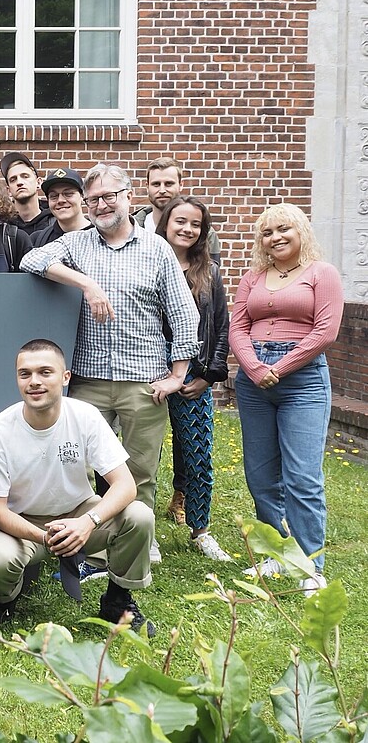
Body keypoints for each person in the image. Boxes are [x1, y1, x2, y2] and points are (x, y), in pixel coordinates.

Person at [19, 164, 200, 566]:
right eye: (94, 199)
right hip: (89, 380)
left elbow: (184, 315)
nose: (101, 205)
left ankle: (141, 538)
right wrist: (86, 283)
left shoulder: (157, 249)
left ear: (128, 198)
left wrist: (178, 374)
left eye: (109, 196)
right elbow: (31, 260)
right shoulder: (78, 244)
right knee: (79, 469)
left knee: (139, 470)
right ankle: (82, 543)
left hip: (144, 381)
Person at [0, 340, 155, 635]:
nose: (34, 382)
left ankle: (117, 599)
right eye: (25, 374)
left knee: (139, 516)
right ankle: (5, 599)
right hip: (21, 523)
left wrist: (86, 523)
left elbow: (125, 485)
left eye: (45, 372)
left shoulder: (85, 416)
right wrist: (45, 537)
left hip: (79, 514)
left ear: (65, 377)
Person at [229, 203, 342, 595]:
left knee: (302, 478)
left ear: (301, 232)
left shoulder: (321, 274)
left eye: (283, 229)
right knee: (260, 477)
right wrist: (255, 368)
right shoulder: (253, 277)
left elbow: (326, 331)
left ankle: (310, 566)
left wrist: (283, 365)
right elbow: (238, 327)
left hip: (304, 381)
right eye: (267, 232)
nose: (275, 237)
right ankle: (278, 556)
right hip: (255, 380)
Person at [156, 196, 231, 560]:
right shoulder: (148, 261)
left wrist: (209, 376)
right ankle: (142, 534)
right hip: (151, 377)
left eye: (195, 224)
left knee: (198, 457)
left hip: (192, 382)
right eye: (180, 221)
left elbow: (220, 328)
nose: (187, 229)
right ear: (166, 223)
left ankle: (200, 530)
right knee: (143, 460)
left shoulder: (209, 272)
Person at [132, 157, 221, 262]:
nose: (162, 190)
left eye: (168, 184)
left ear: (181, 185)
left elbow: (211, 274)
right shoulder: (132, 228)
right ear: (147, 186)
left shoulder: (205, 233)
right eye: (156, 184)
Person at [30, 168, 91, 248]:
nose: (60, 200)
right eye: (54, 196)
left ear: (83, 196)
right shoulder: (38, 240)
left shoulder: (101, 235)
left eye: (68, 194)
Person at [1, 151, 53, 235]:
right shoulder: (1, 227)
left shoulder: (55, 222)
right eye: (13, 179)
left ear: (38, 183)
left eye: (25, 176)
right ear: (9, 190)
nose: (19, 182)